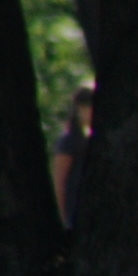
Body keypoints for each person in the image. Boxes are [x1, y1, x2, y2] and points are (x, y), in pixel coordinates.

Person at [49, 81, 94, 229]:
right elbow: (59, 183)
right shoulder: (68, 142)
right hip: (73, 215)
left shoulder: (90, 141)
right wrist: (63, 220)